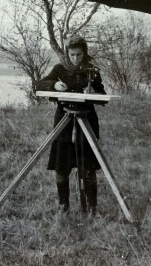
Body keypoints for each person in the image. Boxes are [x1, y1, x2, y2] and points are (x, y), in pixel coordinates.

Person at [35, 35, 106, 214]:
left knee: (88, 165)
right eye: (72, 55)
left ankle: (92, 208)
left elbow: (102, 94)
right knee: (62, 164)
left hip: (87, 119)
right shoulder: (60, 69)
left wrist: (94, 91)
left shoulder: (92, 71)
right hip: (64, 121)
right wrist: (54, 85)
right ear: (67, 53)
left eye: (79, 55)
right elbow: (40, 84)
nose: (75, 58)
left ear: (85, 53)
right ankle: (63, 206)